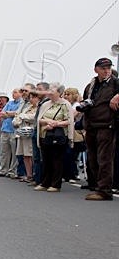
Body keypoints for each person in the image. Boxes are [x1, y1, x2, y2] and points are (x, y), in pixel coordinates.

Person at [82, 58, 119, 200]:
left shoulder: (115, 82)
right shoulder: (90, 85)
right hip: (91, 125)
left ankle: (105, 190)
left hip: (106, 124)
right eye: (103, 68)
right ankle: (98, 186)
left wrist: (117, 95)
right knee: (93, 158)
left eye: (108, 68)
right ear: (96, 69)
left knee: (104, 158)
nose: (106, 70)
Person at [35, 83, 74, 193]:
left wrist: (55, 124)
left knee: (57, 160)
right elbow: (39, 119)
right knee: (46, 159)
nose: (50, 92)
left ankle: (55, 184)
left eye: (53, 90)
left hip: (59, 135)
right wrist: (48, 121)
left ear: (59, 93)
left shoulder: (65, 105)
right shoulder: (45, 104)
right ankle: (45, 182)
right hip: (45, 135)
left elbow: (69, 121)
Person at [0, 89, 23, 178]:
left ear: (20, 94)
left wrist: (9, 114)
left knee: (14, 152)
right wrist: (10, 114)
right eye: (13, 92)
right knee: (3, 152)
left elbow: (18, 113)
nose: (13, 94)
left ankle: (12, 171)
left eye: (15, 92)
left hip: (14, 130)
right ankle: (3, 170)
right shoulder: (9, 103)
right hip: (5, 129)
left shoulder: (22, 103)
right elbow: (2, 114)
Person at [15, 92, 40, 184]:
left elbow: (34, 117)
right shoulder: (27, 107)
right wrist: (18, 119)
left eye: (33, 97)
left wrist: (23, 116)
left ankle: (34, 174)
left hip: (30, 133)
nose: (31, 99)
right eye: (30, 97)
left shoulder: (39, 107)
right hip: (22, 133)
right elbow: (18, 117)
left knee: (31, 154)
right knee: (24, 155)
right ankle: (28, 175)